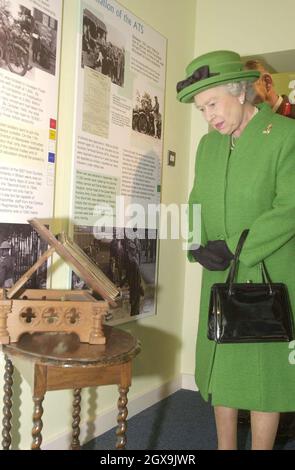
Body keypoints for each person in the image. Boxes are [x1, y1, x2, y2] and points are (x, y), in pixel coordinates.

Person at [177, 50, 295, 450]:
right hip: (220, 275)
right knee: (222, 369)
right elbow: (195, 201)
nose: (209, 116)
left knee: (264, 379)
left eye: (212, 104)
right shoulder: (209, 146)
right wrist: (195, 244)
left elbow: (289, 207)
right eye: (201, 108)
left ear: (240, 91)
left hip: (267, 271)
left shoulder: (284, 135)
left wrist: (237, 246)